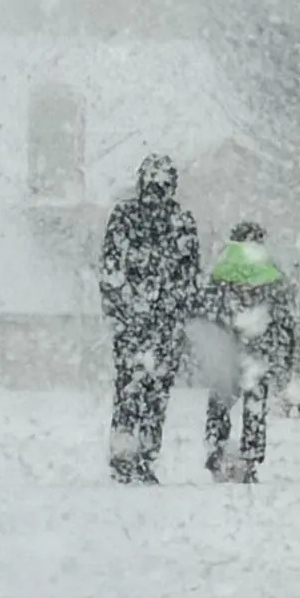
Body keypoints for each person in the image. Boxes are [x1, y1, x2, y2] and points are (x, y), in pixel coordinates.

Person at [97, 154, 200, 482]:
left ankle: (131, 455)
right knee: (148, 390)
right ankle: (136, 455)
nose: (157, 189)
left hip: (147, 319)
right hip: (154, 320)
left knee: (138, 389)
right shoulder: (177, 220)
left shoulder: (131, 215)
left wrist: (119, 307)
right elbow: (190, 276)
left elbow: (111, 267)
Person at [202, 220, 296, 485]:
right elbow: (283, 314)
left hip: (227, 345)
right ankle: (250, 458)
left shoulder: (220, 269)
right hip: (258, 346)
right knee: (255, 402)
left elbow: (206, 306)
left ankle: (216, 451)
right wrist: (285, 351)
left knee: (220, 399)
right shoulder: (271, 271)